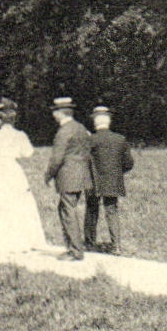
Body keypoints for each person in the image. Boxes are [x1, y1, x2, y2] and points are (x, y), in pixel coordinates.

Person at [0, 97, 47, 254]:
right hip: (14, 170)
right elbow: (28, 153)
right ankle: (22, 238)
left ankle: (0, 239)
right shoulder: (20, 135)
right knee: (19, 202)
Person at [43, 96, 93, 261]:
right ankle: (74, 247)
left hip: (68, 177)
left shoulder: (63, 132)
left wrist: (48, 175)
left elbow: (57, 158)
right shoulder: (80, 128)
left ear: (60, 113)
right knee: (67, 209)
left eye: (54, 112)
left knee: (68, 211)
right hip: (82, 176)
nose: (53, 115)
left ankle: (75, 250)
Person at [84, 104, 134, 254]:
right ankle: (116, 245)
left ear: (95, 122)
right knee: (112, 210)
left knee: (92, 209)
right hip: (113, 180)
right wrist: (117, 172)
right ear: (109, 121)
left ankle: (90, 243)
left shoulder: (90, 140)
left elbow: (83, 161)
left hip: (93, 180)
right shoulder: (120, 139)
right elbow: (129, 163)